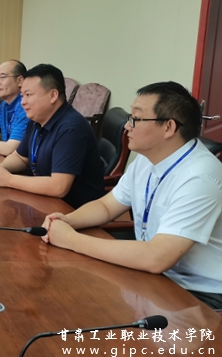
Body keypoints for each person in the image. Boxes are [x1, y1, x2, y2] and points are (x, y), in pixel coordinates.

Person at [42, 81, 222, 309]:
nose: (127, 126)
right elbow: (107, 207)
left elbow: (157, 257)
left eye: (136, 119)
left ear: (168, 127)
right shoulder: (147, 159)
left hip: (200, 293)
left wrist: (71, 240)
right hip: (155, 275)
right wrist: (66, 221)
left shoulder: (200, 176)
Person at [0, 64, 104, 208]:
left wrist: (8, 179)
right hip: (41, 201)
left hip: (71, 211)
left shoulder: (71, 129)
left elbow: (58, 187)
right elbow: (20, 158)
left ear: (53, 95)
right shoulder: (37, 120)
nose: (23, 102)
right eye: (22, 96)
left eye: (28, 95)